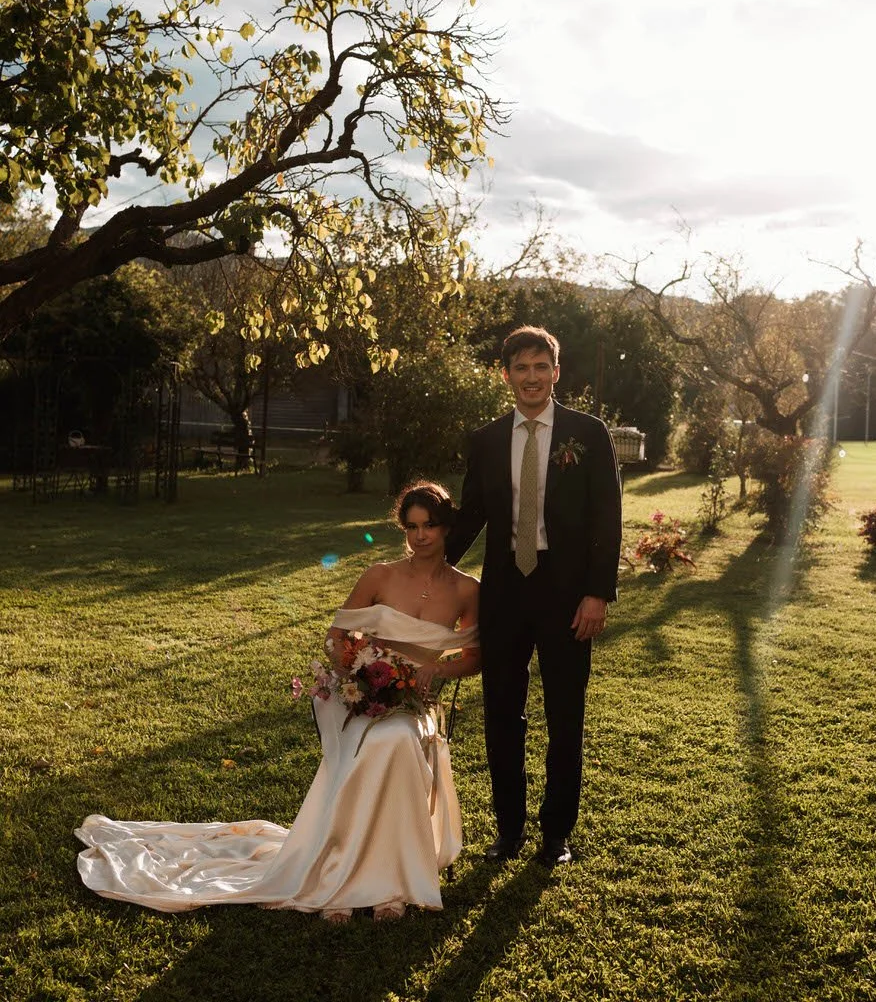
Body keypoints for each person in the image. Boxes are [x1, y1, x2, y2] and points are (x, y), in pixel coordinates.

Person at [76, 482, 480, 921]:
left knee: (398, 739)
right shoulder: (380, 575)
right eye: (412, 527)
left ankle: (390, 884)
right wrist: (353, 669)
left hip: (415, 704)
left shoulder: (465, 590)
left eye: (430, 526)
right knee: (383, 740)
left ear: (446, 528)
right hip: (361, 694)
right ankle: (341, 877)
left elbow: (475, 657)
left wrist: (437, 670)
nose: (420, 536)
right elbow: (336, 636)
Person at [445, 326, 621, 868]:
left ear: (556, 372)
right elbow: (472, 512)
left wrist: (597, 594)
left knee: (566, 715)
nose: (531, 377)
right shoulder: (488, 439)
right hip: (505, 592)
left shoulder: (587, 434)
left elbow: (606, 518)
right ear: (506, 376)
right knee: (502, 713)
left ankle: (555, 835)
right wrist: (427, 566)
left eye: (540, 366)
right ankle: (509, 830)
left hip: (567, 594)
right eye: (520, 368)